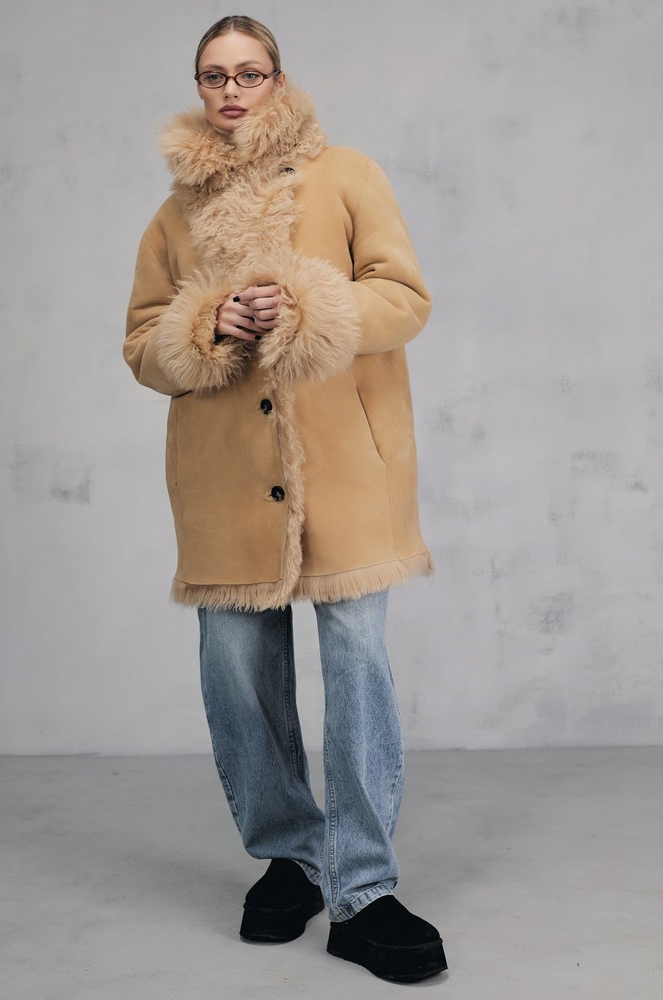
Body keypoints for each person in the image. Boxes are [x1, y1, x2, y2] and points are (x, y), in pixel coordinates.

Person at [124, 15, 447, 984]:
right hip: (222, 473)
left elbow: (405, 297)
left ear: (276, 78)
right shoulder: (174, 215)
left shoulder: (346, 176)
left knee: (356, 661)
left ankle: (364, 890)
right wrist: (206, 322)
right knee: (235, 668)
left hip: (345, 463)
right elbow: (142, 344)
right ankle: (289, 857)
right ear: (199, 87)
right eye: (213, 75)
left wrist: (310, 303)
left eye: (249, 72)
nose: (231, 90)